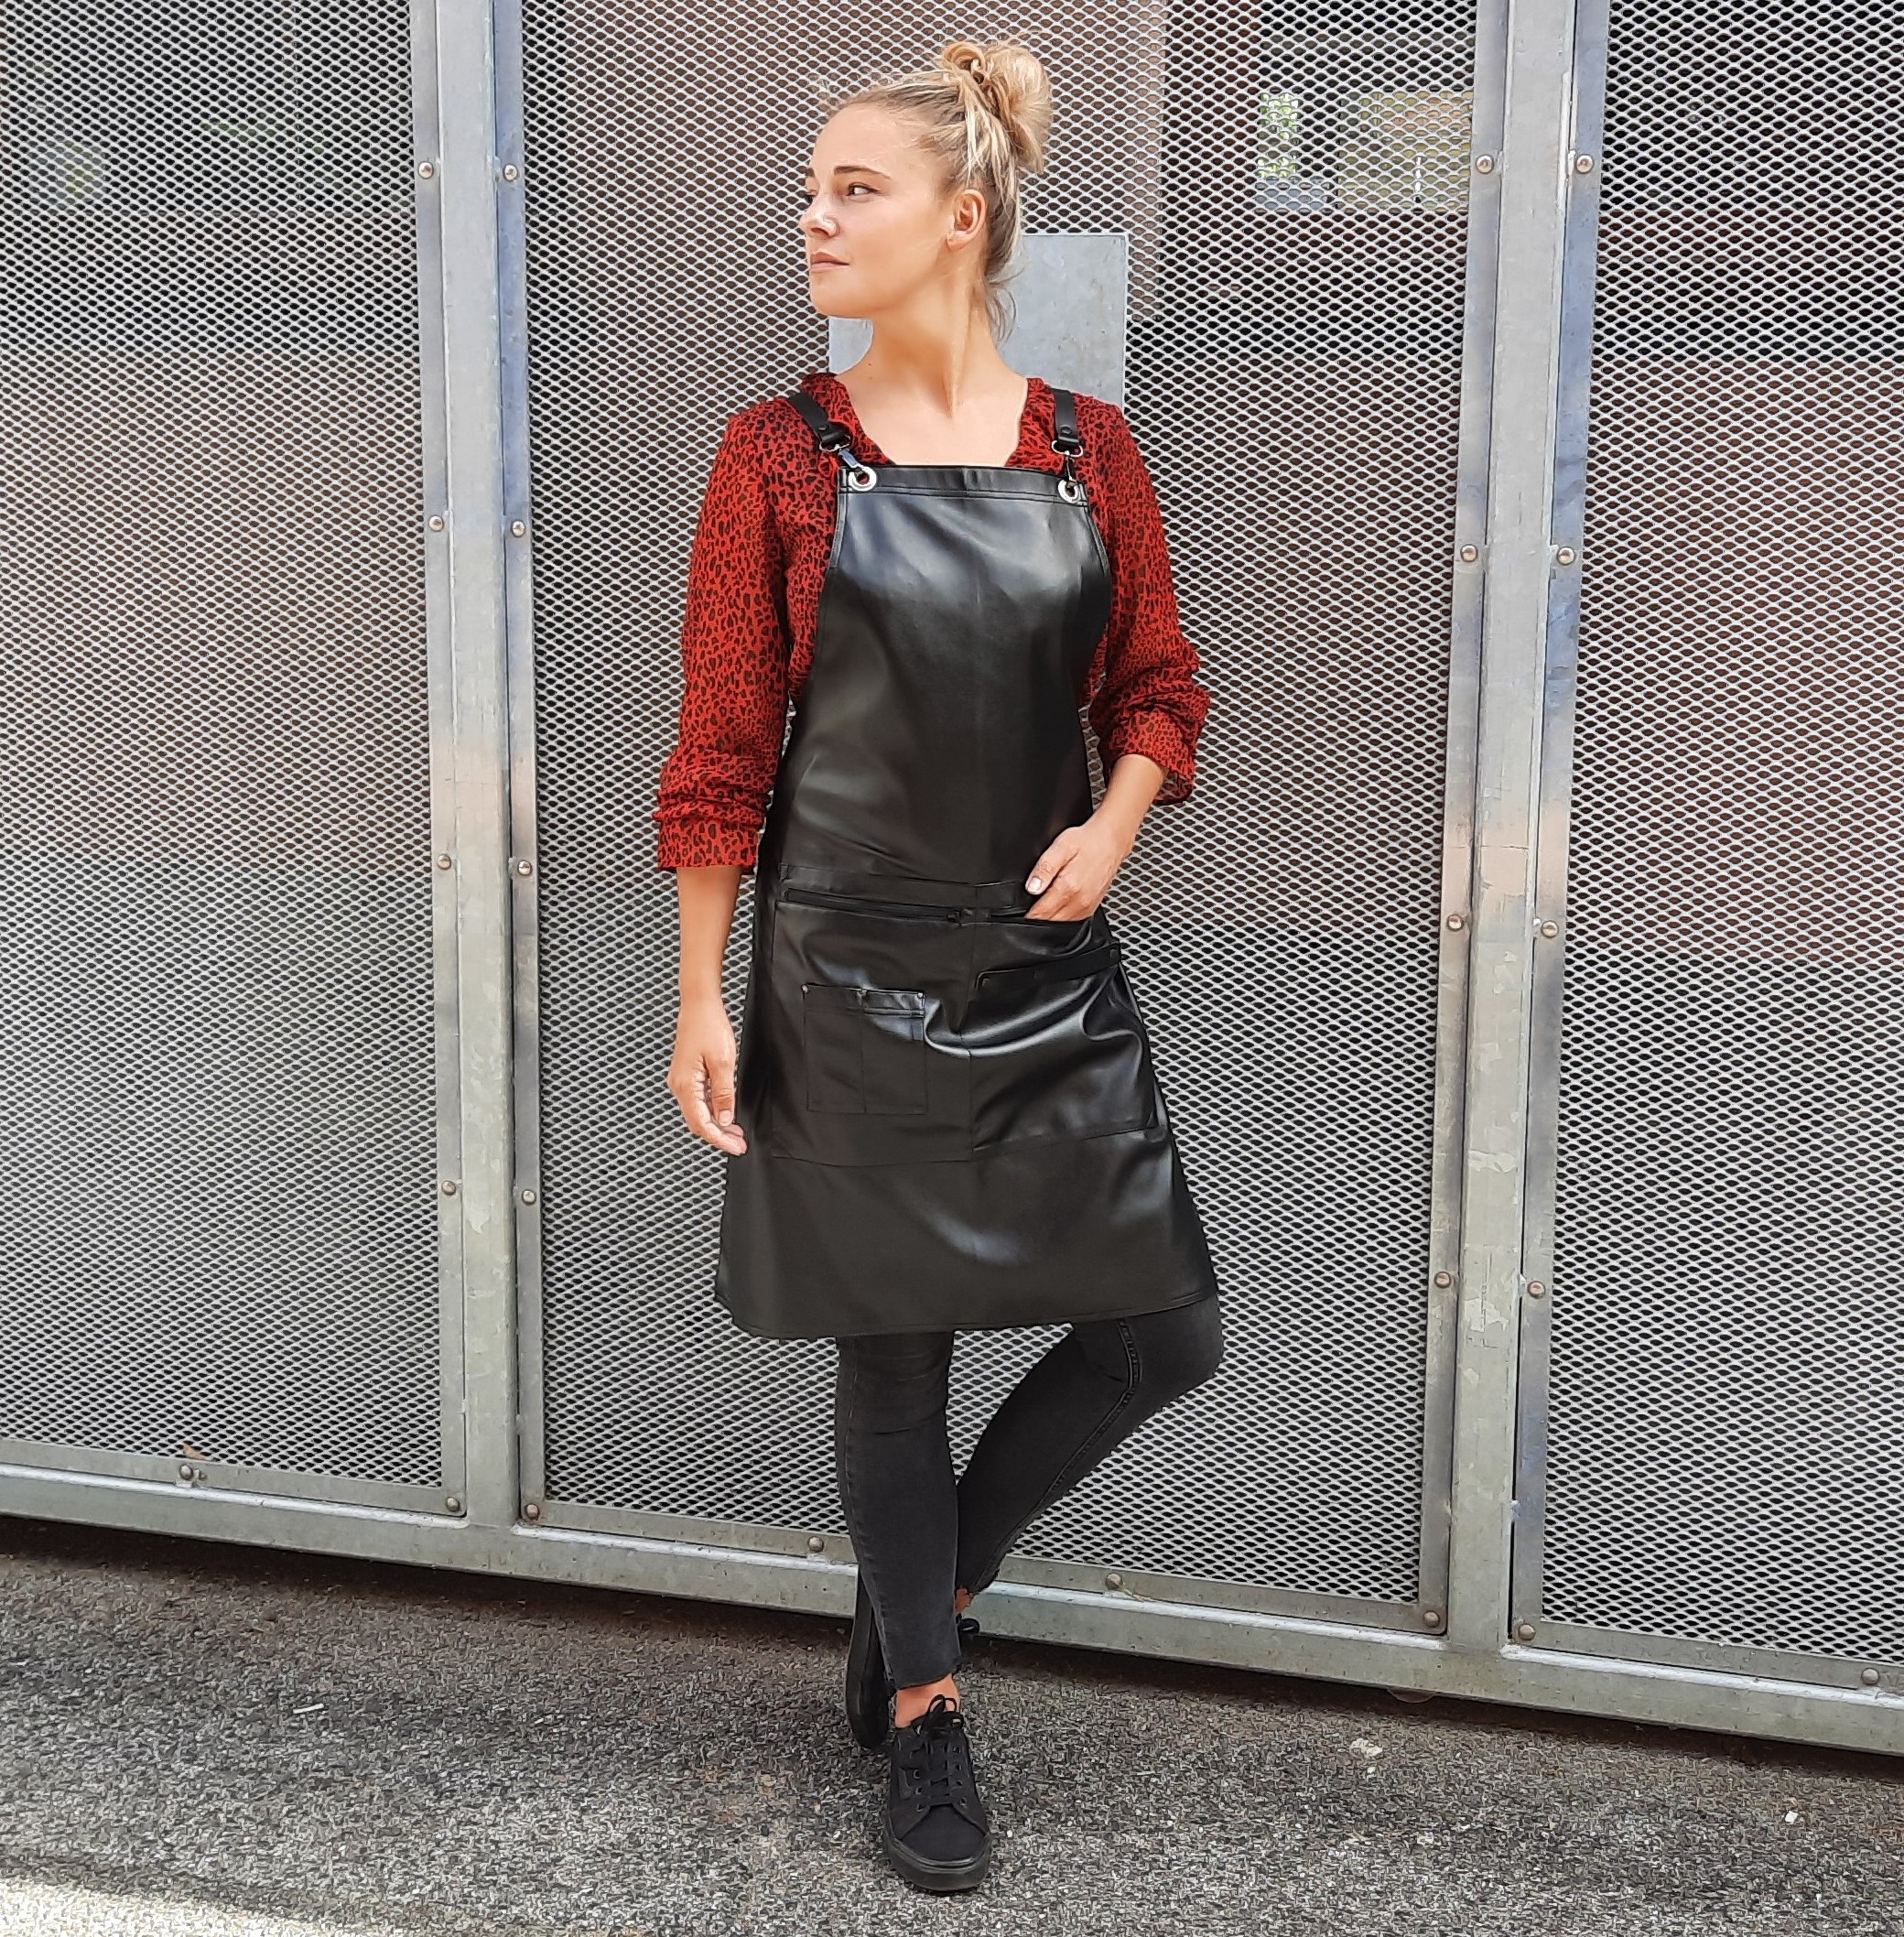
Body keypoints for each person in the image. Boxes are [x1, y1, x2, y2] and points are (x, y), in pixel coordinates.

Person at [654, 35, 1224, 1893]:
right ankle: (922, 1710)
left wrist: (1118, 819)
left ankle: (928, 1587)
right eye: (809, 190)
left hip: (1045, 971)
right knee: (890, 1356)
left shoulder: (1087, 448)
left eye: (855, 189)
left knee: (1160, 1330)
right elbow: (721, 752)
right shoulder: (776, 455)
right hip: (840, 976)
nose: (812, 219)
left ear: (962, 219)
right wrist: (700, 994)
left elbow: (1157, 683)